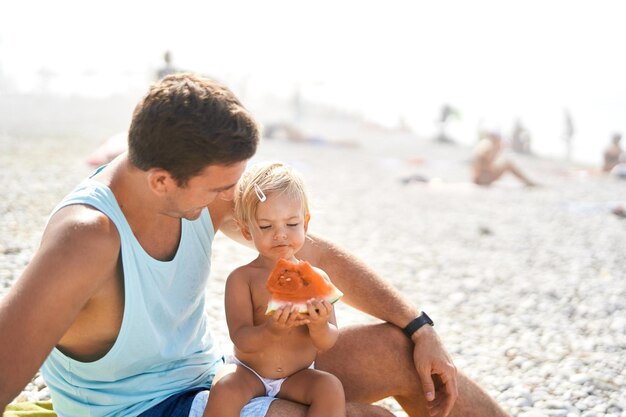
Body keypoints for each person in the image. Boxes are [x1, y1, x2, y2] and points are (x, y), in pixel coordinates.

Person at [0, 72, 512, 417]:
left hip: (217, 377)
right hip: (144, 408)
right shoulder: (86, 240)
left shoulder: (191, 189)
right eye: (223, 188)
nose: (235, 200)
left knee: (400, 353)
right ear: (161, 181)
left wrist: (420, 327)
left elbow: (311, 252)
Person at [205, 162, 345, 417]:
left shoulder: (317, 278)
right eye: (267, 227)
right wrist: (272, 330)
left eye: (291, 224)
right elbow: (241, 338)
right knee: (224, 387)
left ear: (306, 223)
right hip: (249, 373)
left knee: (330, 387)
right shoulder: (241, 279)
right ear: (247, 230)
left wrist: (319, 325)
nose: (280, 235)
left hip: (297, 376)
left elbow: (327, 342)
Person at [472, 131, 538, 187]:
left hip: (478, 177)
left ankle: (527, 182)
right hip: (483, 178)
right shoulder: (489, 147)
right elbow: (485, 166)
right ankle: (527, 182)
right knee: (508, 164)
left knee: (504, 163)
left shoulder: (483, 143)